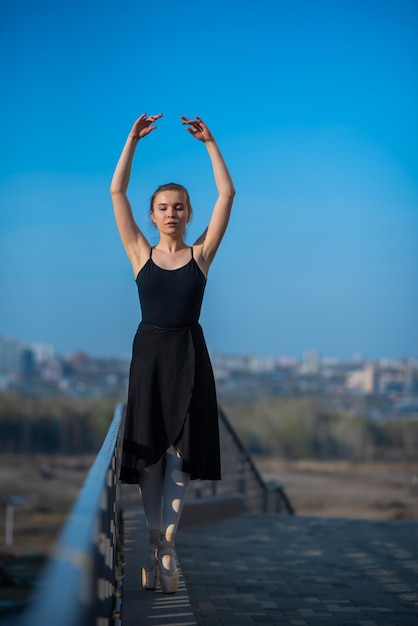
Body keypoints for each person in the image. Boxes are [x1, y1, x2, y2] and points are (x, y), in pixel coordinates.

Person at [110, 113, 235, 593]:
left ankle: (166, 546)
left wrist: (211, 143)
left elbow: (226, 197)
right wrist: (131, 142)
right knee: (152, 456)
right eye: (163, 207)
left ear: (187, 212)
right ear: (152, 214)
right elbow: (117, 193)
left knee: (182, 454)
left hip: (189, 354)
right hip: (149, 358)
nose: (171, 213)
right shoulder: (139, 253)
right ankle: (156, 547)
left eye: (179, 206)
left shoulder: (200, 255)